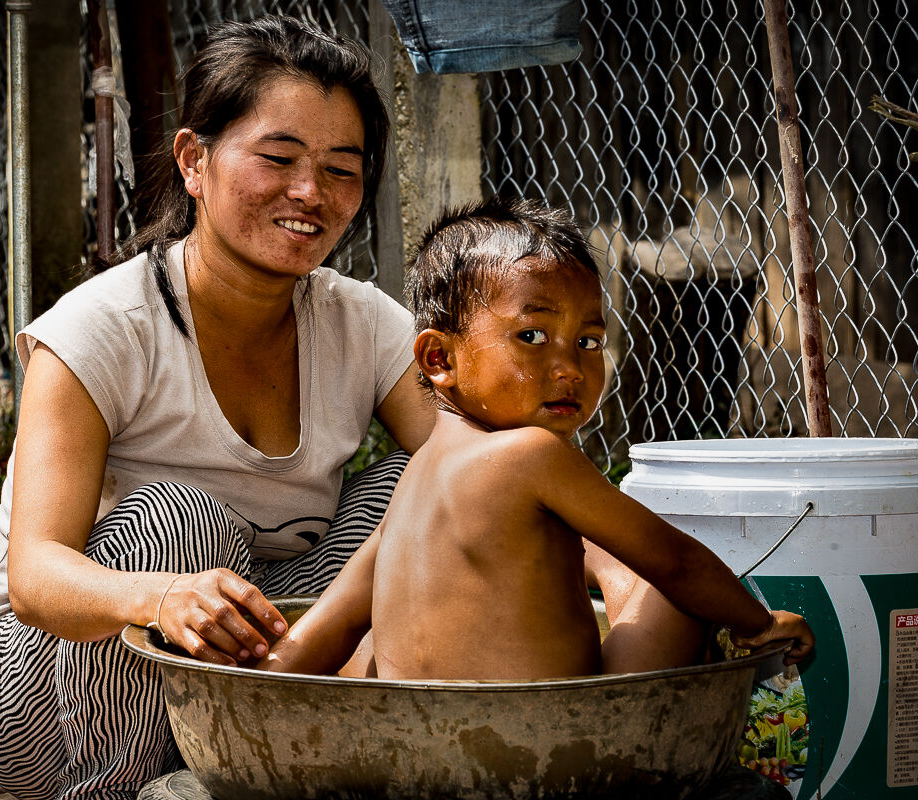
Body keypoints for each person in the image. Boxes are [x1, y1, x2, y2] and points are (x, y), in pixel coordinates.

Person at [0, 15, 435, 800]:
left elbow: (482, 469)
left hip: (248, 646)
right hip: (40, 694)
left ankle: (277, 761)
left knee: (425, 482)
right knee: (181, 521)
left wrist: (618, 567)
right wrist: (164, 595)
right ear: (194, 161)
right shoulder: (101, 327)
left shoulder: (366, 322)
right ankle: (133, 787)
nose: (311, 193)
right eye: (279, 158)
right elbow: (35, 578)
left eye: (343, 169)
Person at [262, 198, 815, 680]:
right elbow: (676, 563)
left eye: (589, 341)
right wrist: (758, 625)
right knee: (669, 594)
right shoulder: (534, 455)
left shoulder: (410, 482)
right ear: (439, 358)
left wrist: (258, 690)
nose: (570, 367)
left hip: (419, 748)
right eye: (531, 336)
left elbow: (326, 626)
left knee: (370, 636)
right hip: (549, 744)